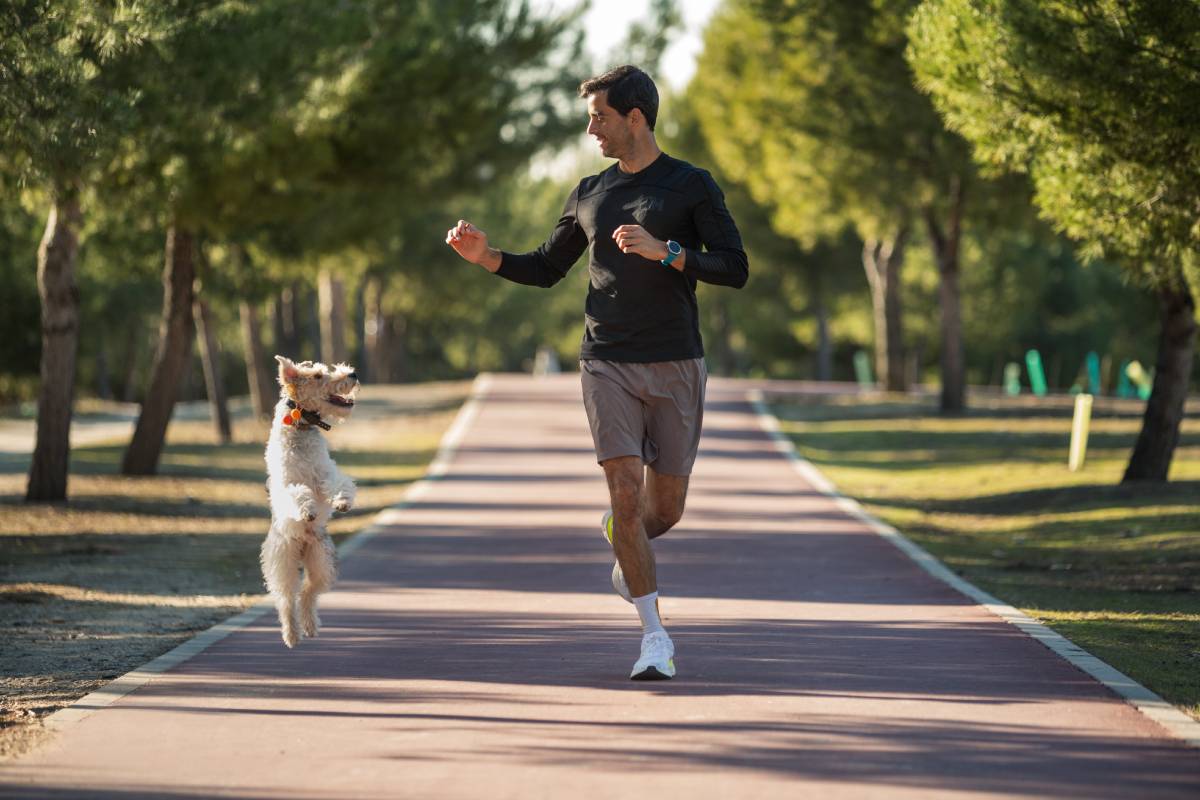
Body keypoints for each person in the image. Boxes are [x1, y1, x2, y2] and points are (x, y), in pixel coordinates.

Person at [445, 65, 748, 680]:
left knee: (662, 512)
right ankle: (654, 636)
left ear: (636, 117)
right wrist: (487, 257)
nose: (591, 130)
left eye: (600, 117)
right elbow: (545, 267)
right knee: (623, 496)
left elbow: (735, 267)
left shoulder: (691, 186)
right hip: (605, 359)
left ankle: (624, 538)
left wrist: (666, 252)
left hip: (676, 362)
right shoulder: (589, 191)